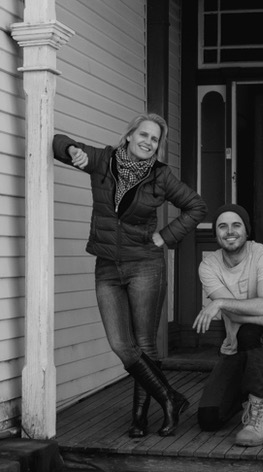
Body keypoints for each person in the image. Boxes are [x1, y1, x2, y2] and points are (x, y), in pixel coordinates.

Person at [53, 113, 207, 438]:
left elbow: (196, 207)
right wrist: (70, 152)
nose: (148, 142)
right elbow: (57, 142)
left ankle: (139, 418)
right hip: (107, 265)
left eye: (155, 139)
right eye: (144, 135)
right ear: (129, 135)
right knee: (122, 343)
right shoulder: (102, 160)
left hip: (145, 264)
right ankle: (170, 397)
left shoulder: (161, 176)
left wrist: (165, 237)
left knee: (144, 342)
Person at [193, 204, 263, 447]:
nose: (229, 231)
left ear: (246, 230)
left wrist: (220, 302)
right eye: (222, 226)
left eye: (236, 225)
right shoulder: (209, 266)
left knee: (251, 333)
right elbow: (239, 315)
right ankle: (248, 385)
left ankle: (260, 414)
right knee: (209, 419)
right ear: (216, 233)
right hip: (237, 346)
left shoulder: (262, 254)